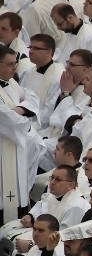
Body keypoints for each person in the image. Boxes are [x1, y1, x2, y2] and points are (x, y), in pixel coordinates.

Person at [0, 45, 39, 225]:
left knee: (18, 198)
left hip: (15, 149)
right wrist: (25, 118)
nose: (14, 68)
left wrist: (19, 109)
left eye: (15, 64)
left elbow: (33, 98)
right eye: (9, 64)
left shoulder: (12, 83)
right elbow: (9, 121)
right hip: (2, 153)